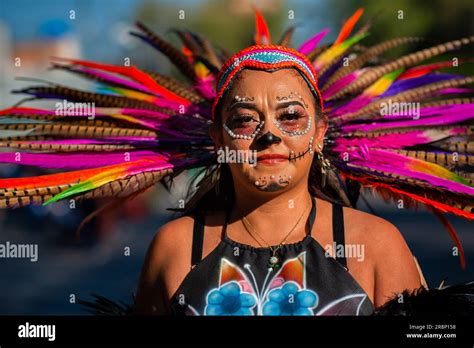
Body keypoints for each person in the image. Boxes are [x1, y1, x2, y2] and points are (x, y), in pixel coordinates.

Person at [134, 46, 422, 316]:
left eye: (291, 116)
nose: (269, 135)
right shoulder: (175, 247)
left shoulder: (376, 244)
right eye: (245, 119)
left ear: (319, 134)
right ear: (219, 138)